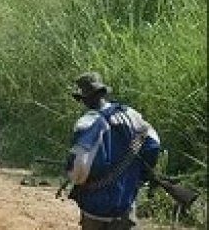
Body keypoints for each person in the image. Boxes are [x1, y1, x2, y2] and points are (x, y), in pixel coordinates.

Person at [65, 72, 161, 229]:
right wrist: (141, 176)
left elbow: (79, 164)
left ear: (84, 98)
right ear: (103, 93)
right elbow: (153, 145)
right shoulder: (131, 114)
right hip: (125, 205)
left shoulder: (86, 123)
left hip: (95, 207)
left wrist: (76, 179)